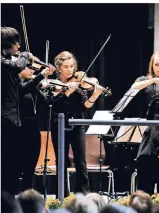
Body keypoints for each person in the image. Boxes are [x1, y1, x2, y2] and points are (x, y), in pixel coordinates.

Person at [40, 51, 104, 196]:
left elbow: (84, 106)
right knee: (61, 161)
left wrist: (94, 96)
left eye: (72, 66)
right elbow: (51, 104)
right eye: (66, 67)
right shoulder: (53, 85)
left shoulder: (78, 84)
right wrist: (67, 92)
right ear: (59, 68)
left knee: (80, 160)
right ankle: (62, 195)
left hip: (77, 124)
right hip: (58, 124)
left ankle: (83, 193)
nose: (70, 70)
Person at [131, 52, 159, 196]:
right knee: (144, 161)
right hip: (146, 128)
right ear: (151, 65)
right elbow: (135, 87)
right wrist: (153, 80)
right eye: (157, 65)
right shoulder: (144, 79)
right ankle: (143, 196)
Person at [1, 26, 34, 195]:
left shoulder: (9, 63)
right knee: (6, 163)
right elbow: (17, 67)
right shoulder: (4, 63)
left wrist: (41, 75)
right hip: (4, 119)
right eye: (16, 43)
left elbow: (21, 89)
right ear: (7, 43)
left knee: (12, 165)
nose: (19, 46)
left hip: (13, 120)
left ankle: (10, 201)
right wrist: (25, 56)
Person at [18, 63, 55, 192]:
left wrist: (59, 93)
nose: (32, 71)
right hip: (18, 127)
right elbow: (23, 89)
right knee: (16, 165)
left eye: (34, 69)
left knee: (31, 165)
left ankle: (26, 197)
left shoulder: (33, 85)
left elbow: (48, 102)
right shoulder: (14, 84)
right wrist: (41, 75)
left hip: (33, 127)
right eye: (30, 67)